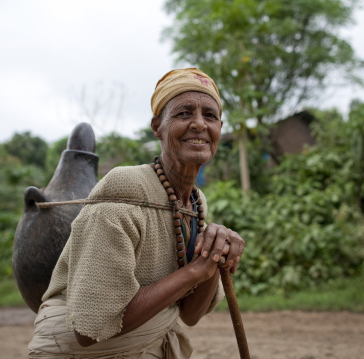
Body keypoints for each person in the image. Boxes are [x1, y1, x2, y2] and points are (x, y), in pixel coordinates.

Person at [27, 68, 246, 358]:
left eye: (209, 115)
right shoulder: (126, 186)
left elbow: (190, 315)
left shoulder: (196, 201)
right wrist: (193, 271)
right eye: (183, 113)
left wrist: (212, 257)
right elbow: (90, 329)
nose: (198, 124)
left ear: (220, 126)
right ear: (157, 127)